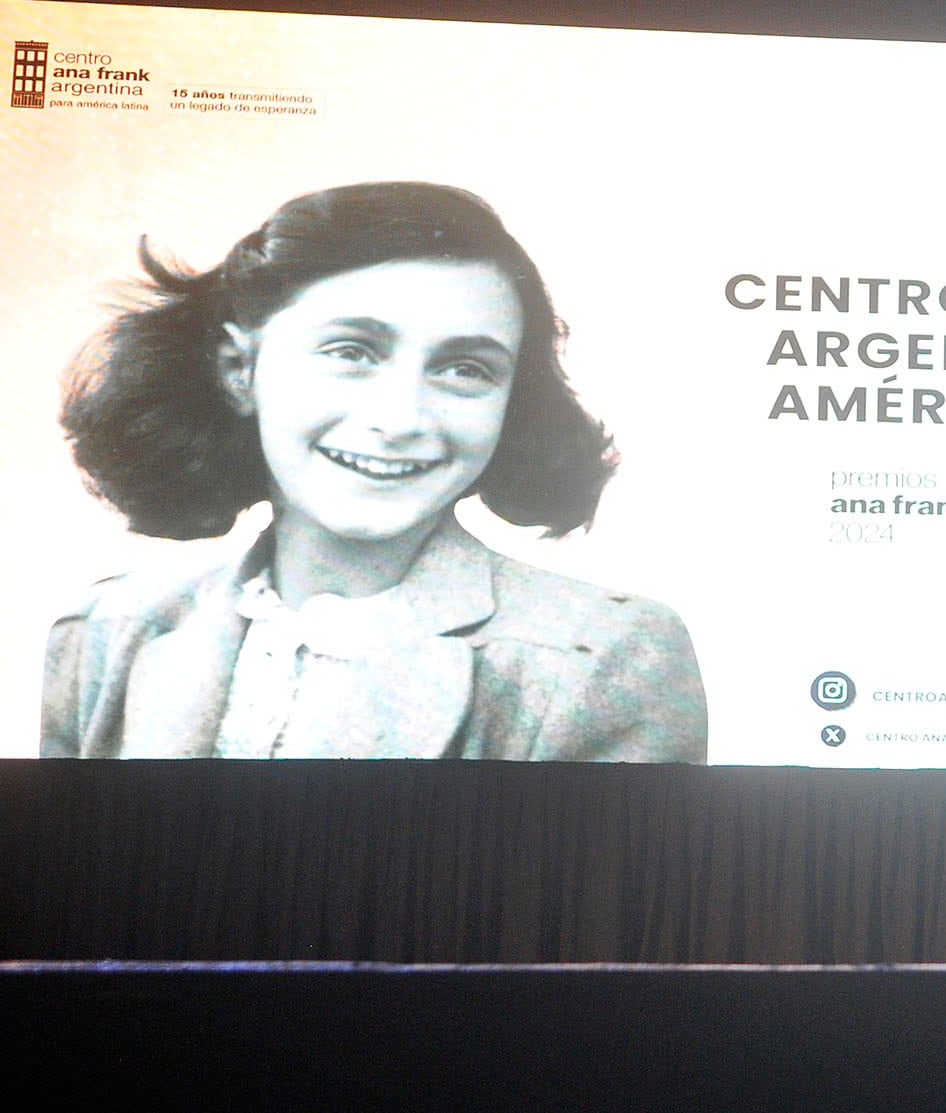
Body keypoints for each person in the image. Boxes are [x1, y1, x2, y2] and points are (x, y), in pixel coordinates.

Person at [43, 181, 708, 761]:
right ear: (239, 370)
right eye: (351, 351)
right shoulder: (104, 630)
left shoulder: (605, 657)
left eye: (464, 369)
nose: (400, 418)